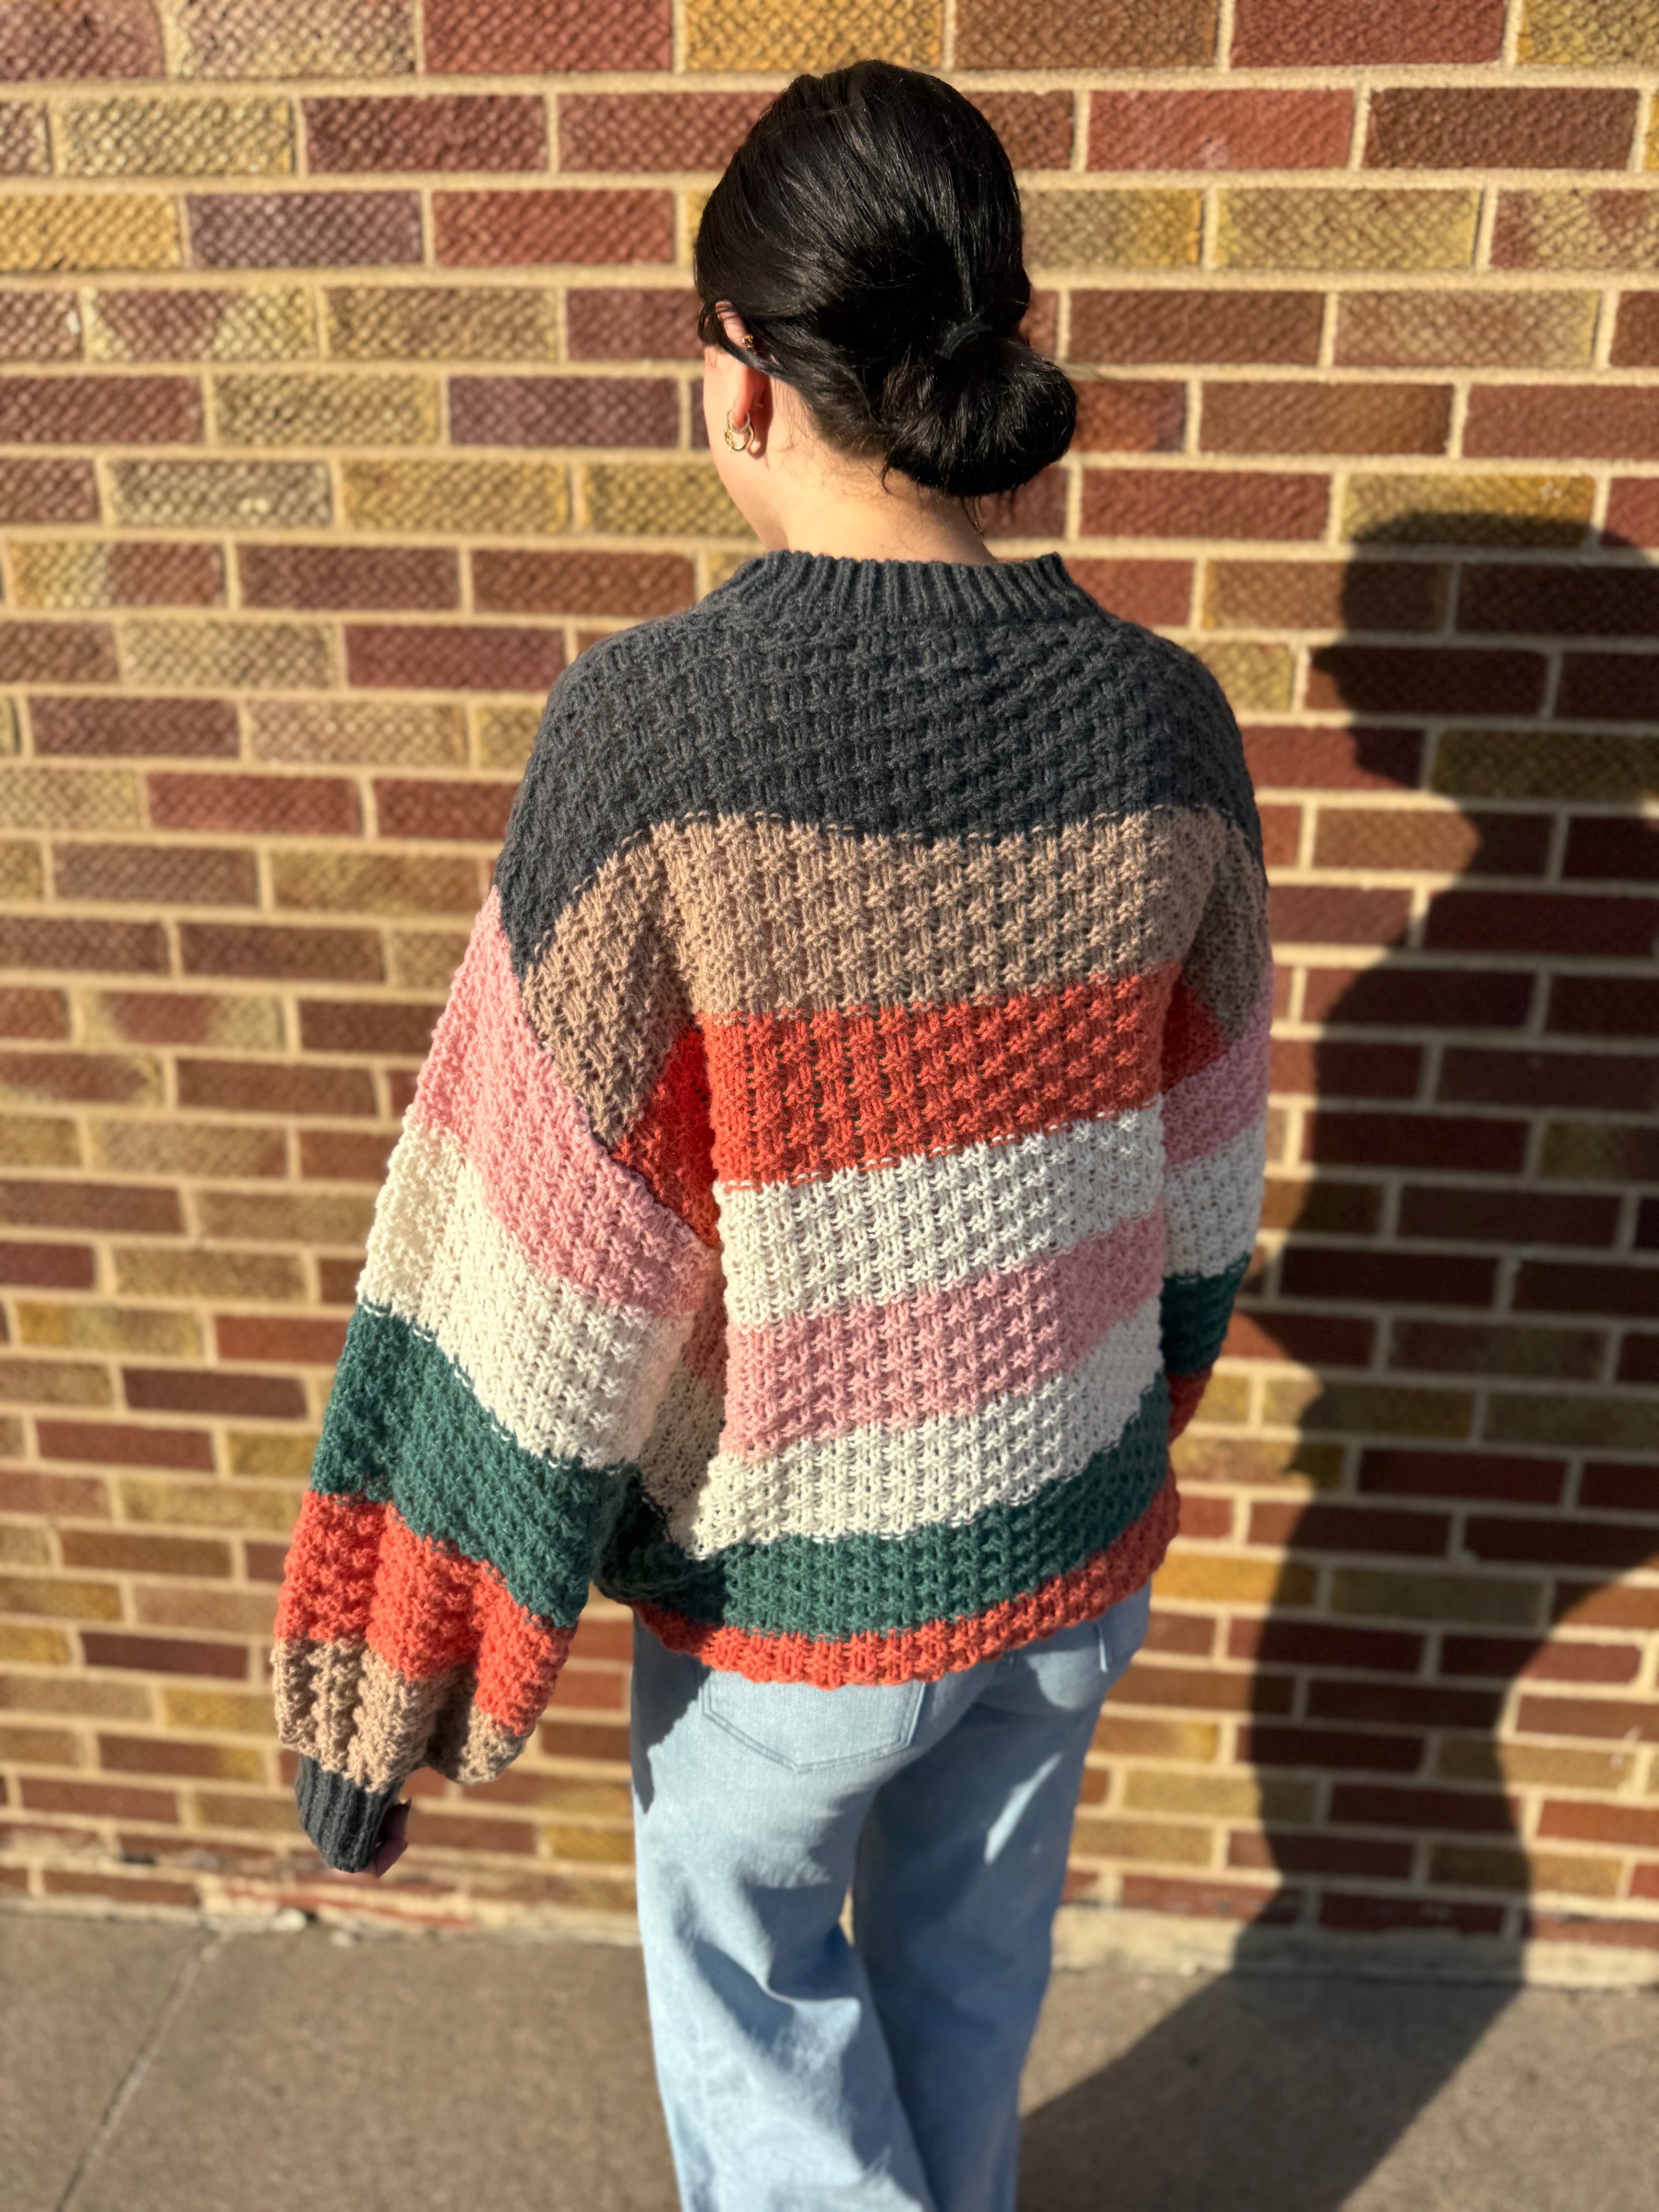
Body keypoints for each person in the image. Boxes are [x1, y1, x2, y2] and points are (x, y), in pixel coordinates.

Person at [269, 59, 1271, 2212]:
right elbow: (1206, 1199)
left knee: (763, 2047)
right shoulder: (1171, 720)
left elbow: (533, 1261)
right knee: (969, 1983)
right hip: (1072, 1541)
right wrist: (1111, 1420)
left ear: (741, 379)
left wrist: (392, 1674)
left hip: (795, 1605)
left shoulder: (654, 740)